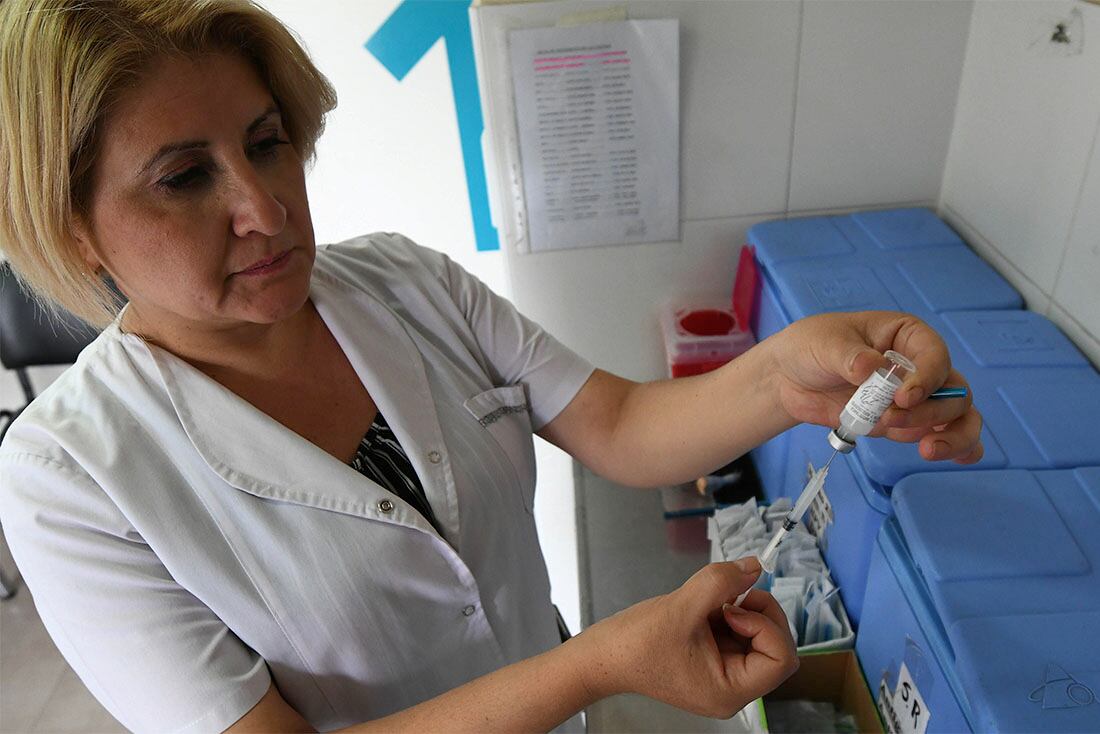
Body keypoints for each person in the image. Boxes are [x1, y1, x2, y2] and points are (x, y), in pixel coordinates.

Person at [0, 1, 983, 732]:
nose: (265, 207)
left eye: (268, 143)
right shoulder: (70, 474)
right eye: (183, 177)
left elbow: (619, 424)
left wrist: (783, 374)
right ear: (71, 222)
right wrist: (595, 663)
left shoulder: (401, 279)